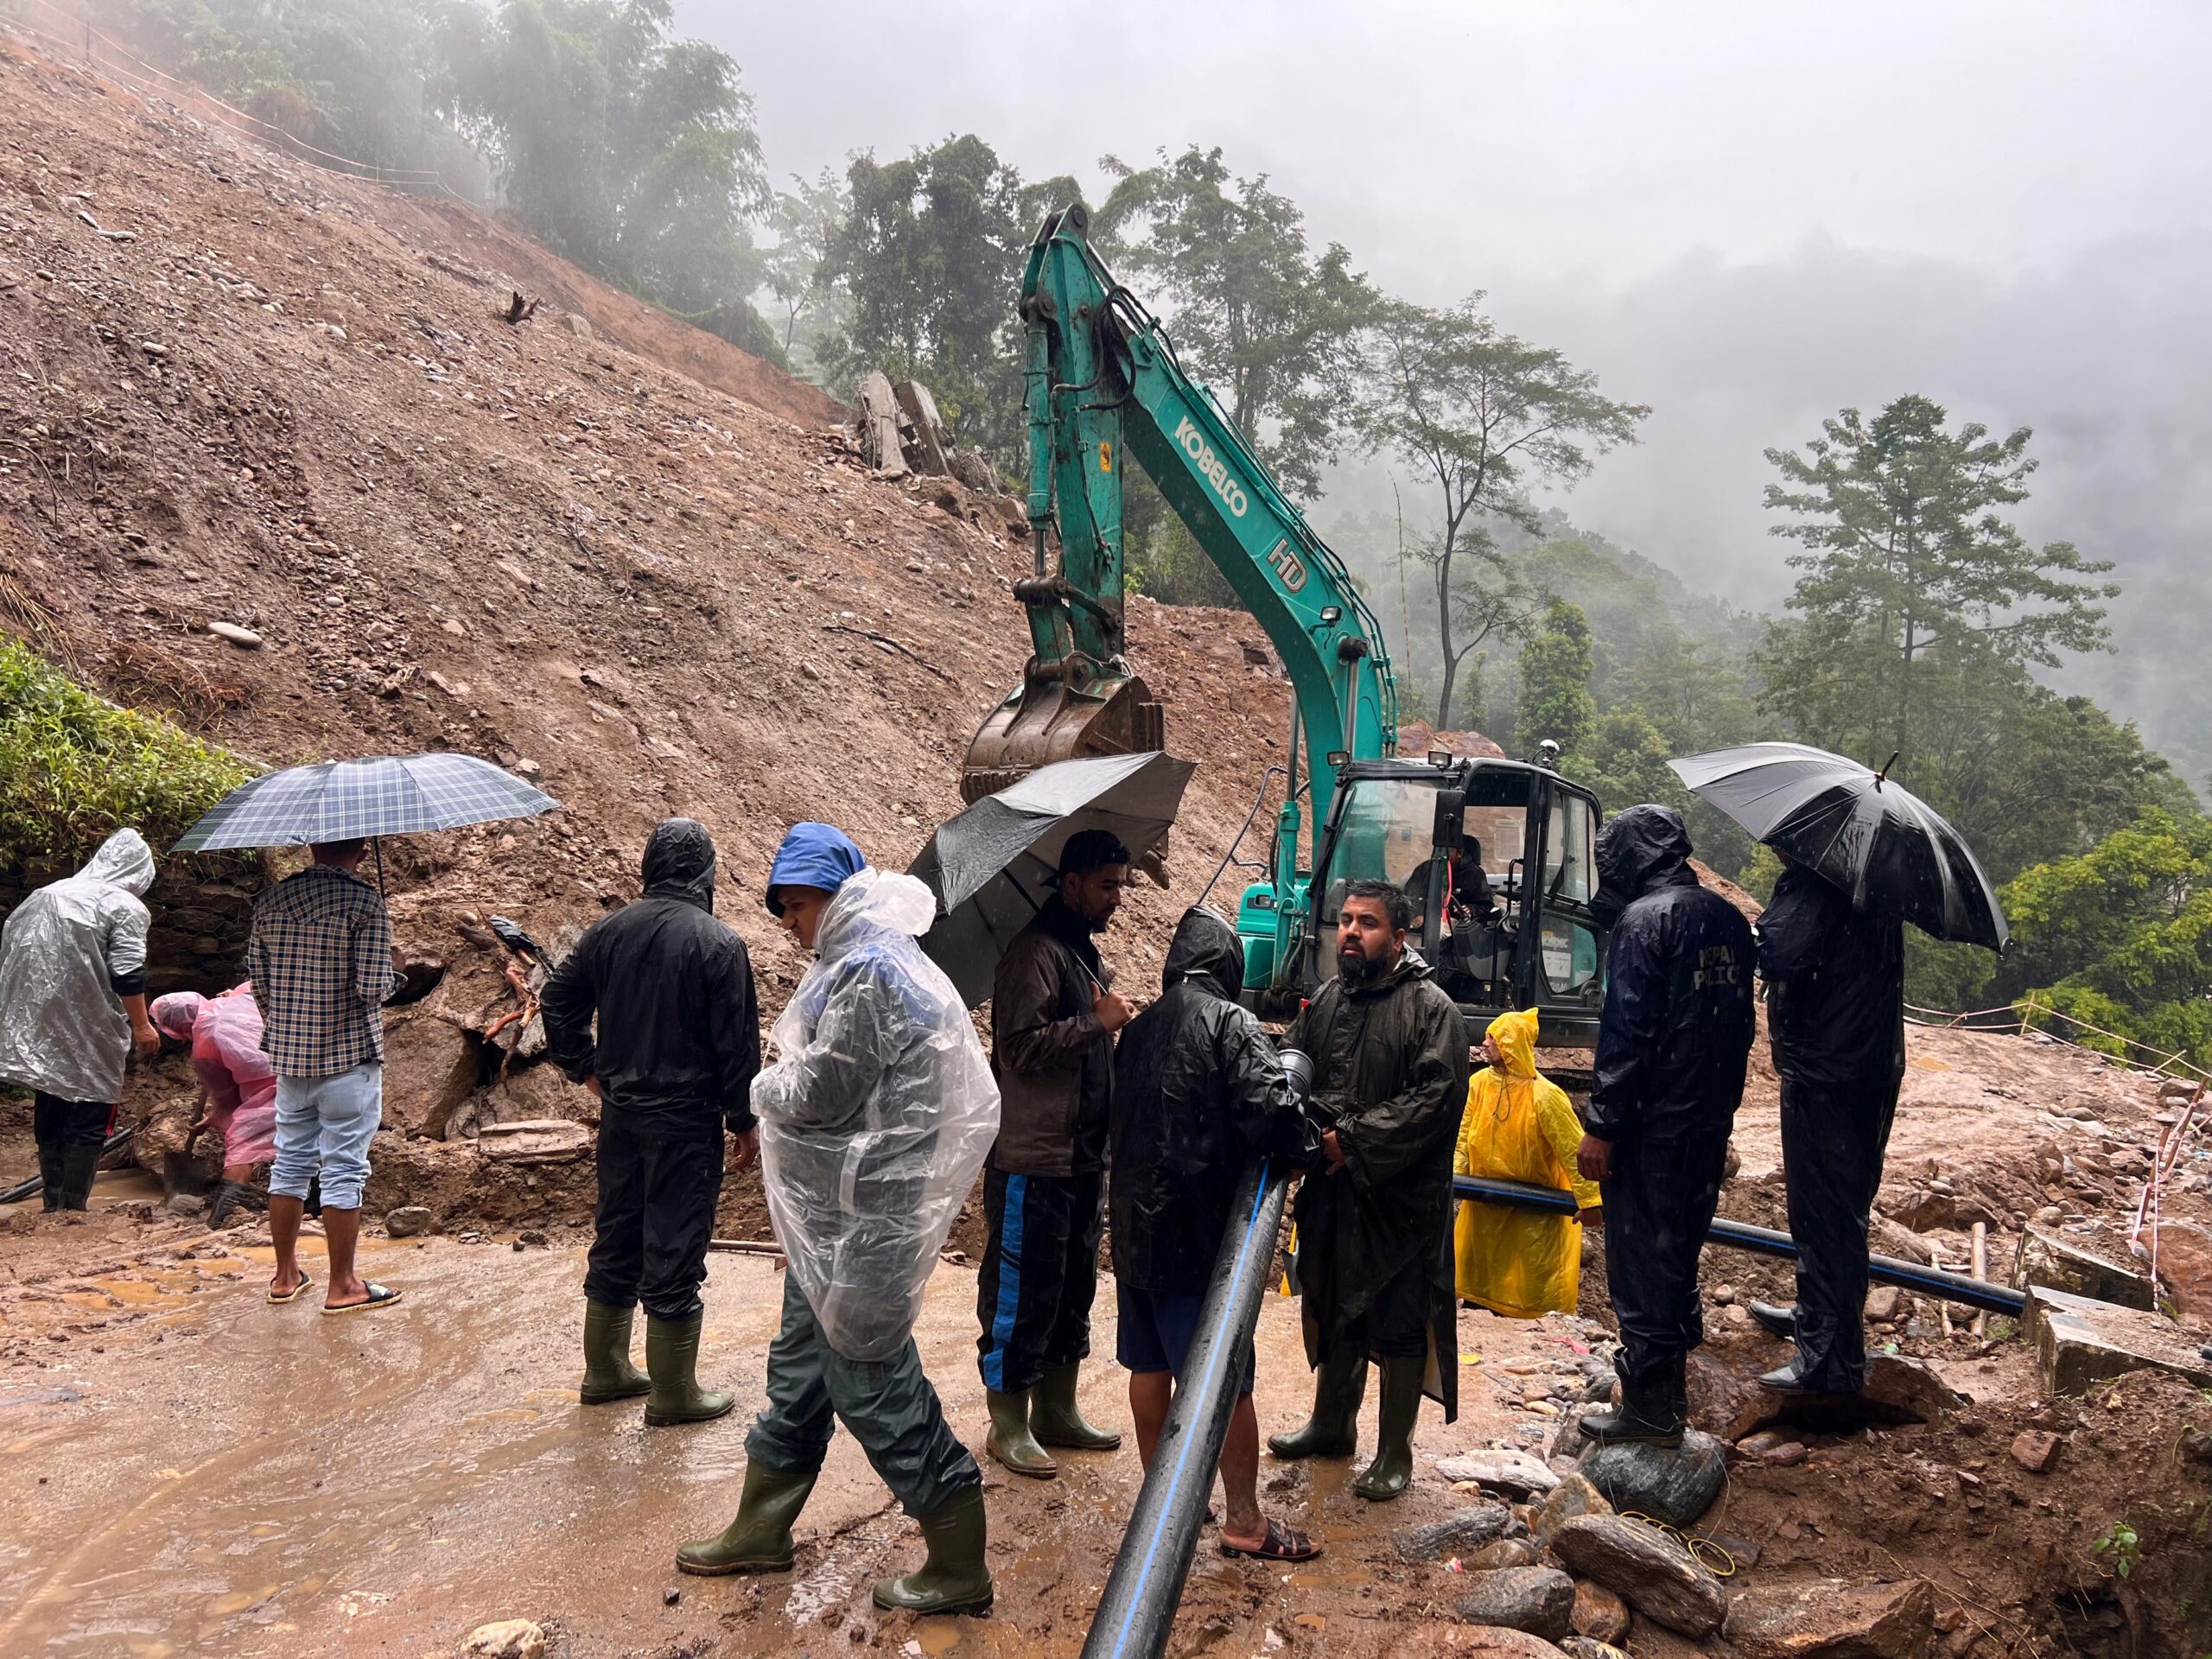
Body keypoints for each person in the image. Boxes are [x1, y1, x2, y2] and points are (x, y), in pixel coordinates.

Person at [678, 823, 1000, 1618]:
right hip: (833, 1226)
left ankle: (958, 1555)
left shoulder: (870, 971)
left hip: (867, 1229)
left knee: (870, 1382)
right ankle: (763, 1526)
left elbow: (824, 1091)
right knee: (798, 1371)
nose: (789, 924)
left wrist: (759, 1088)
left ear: (835, 895)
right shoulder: (857, 961)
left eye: (796, 906)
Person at [1109, 906, 1319, 1562]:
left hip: (1134, 1233)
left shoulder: (1138, 1028)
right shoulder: (1230, 1022)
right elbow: (1273, 1113)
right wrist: (1308, 1143)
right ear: (1228, 965)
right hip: (1196, 1238)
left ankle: (1165, 1502)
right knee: (1224, 1378)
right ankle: (1246, 1522)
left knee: (1148, 1367)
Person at [542, 817, 760, 1424]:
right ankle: (673, 1393)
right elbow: (737, 1045)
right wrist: (744, 1119)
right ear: (706, 874)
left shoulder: (608, 932)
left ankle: (605, 1371)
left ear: (649, 868)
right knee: (676, 1244)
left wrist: (585, 1068)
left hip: (621, 1117)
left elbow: (556, 1000)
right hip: (686, 1123)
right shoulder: (719, 944)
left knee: (617, 1235)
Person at [1268, 879, 1469, 1503]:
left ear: (1399, 937)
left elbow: (1435, 1099)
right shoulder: (1329, 997)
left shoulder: (1432, 1009)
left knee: (1400, 1320)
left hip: (1400, 1203)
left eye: (1368, 923)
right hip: (1334, 1195)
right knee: (1333, 1303)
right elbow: (1292, 1064)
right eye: (1347, 920)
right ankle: (1332, 1425)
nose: (1351, 932)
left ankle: (1393, 1452)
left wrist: (1351, 1141)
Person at [1573, 804, 1755, 1446]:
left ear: (1630, 857)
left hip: (1651, 1128)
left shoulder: (1644, 921)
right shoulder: (1727, 920)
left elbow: (1627, 1034)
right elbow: (1738, 1027)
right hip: (1705, 1120)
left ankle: (1651, 1409)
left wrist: (1603, 1124)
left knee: (1641, 1260)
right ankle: (1669, 1392)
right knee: (1678, 1251)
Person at [974, 827, 1132, 1478]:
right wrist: (1097, 1022)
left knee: (1071, 1290)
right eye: (1106, 885)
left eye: (1120, 885)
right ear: (1071, 884)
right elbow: (1017, 1049)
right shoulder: (1033, 953)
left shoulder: (1081, 954)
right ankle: (1008, 1422)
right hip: (1032, 1161)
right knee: (1021, 1294)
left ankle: (1057, 1410)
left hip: (1082, 1160)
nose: (1116, 897)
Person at [1748, 852, 1906, 1394]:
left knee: (1824, 1213)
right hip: (1864, 1065)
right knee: (1838, 1209)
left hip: (1828, 1073)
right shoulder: (1870, 884)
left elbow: (1781, 955)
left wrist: (1758, 931)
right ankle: (1816, 1320)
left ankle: (1830, 1359)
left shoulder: (1816, 884)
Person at [249, 836, 405, 1314]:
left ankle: (285, 1277)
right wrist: (396, 969)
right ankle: (343, 1285)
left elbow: (260, 984)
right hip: (348, 1058)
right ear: (362, 851)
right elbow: (373, 988)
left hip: (291, 1062)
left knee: (290, 1164)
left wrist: (288, 1029)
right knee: (344, 1168)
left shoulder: (271, 900)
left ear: (313, 844)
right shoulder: (365, 902)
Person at [0, 828, 159, 1211]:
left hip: (40, 1019)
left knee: (51, 1097)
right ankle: (72, 1210)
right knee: (93, 1107)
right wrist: (141, 1025)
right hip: (92, 1024)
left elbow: (13, 948)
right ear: (140, 871)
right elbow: (127, 972)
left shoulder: (47, 894)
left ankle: (51, 1204)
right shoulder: (124, 906)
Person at [1453, 1008, 1600, 1318]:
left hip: (1534, 1211)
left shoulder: (1545, 1097)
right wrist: (1456, 1180)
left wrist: (1591, 1201)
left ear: (1509, 1044)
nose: (1484, 1043)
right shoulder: (1479, 1084)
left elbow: (1572, 1149)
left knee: (1527, 1286)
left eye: (1492, 1038)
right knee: (1482, 1279)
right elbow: (1465, 1136)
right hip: (1485, 1205)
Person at [150, 984, 277, 1228]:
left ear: (177, 1030)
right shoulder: (240, 993)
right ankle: (316, 1204)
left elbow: (227, 1100)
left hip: (271, 1084)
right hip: (308, 1063)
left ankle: (222, 1219)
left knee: (242, 1143)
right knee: (313, 1139)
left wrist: (216, 1117)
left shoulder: (204, 1049)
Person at [1404, 834, 1501, 938]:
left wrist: (1470, 909)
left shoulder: (1474, 874)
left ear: (1459, 853)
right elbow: (1408, 896)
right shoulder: (1425, 869)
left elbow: (1486, 905)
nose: (1443, 856)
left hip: (1458, 928)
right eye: (1441, 851)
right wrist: (1418, 913)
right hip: (1423, 924)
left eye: (1449, 852)